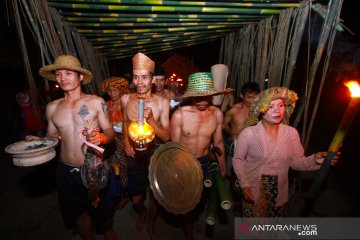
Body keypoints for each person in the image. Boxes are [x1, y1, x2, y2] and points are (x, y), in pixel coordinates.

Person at [36, 55, 117, 240]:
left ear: (80, 77)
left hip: (93, 170)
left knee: (104, 221)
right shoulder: (52, 107)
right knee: (79, 215)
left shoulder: (96, 102)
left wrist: (102, 137)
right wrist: (38, 143)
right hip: (65, 171)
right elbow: (51, 136)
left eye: (68, 73)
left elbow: (111, 132)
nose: (63, 77)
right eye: (58, 74)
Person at [232, 86, 339, 217]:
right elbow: (238, 160)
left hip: (280, 192)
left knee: (274, 229)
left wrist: (315, 160)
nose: (277, 110)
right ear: (261, 109)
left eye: (281, 105)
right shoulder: (249, 133)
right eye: (271, 106)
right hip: (254, 190)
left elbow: (296, 162)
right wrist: (245, 185)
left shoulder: (291, 133)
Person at [171, 72, 233, 239]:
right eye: (198, 96)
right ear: (191, 96)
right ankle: (188, 231)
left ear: (212, 94)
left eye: (207, 96)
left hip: (205, 162)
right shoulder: (180, 115)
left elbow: (219, 141)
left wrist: (222, 166)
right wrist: (175, 171)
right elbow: (173, 147)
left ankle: (191, 219)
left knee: (200, 199)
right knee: (186, 202)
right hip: (184, 162)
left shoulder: (217, 114)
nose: (203, 100)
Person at [121, 52, 170, 239]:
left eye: (144, 77)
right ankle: (141, 212)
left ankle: (150, 222)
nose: (139, 82)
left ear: (152, 79)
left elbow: (166, 137)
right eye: (135, 77)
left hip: (155, 153)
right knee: (136, 200)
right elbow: (125, 122)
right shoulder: (126, 99)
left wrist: (152, 121)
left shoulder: (162, 103)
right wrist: (126, 141)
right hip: (133, 154)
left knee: (155, 195)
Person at [223, 82, 260, 216]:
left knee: (250, 177)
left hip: (252, 150)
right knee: (235, 177)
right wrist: (231, 133)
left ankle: (250, 200)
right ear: (241, 95)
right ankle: (238, 203)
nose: (252, 100)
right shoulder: (234, 110)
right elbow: (223, 125)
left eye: (255, 98)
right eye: (249, 97)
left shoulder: (258, 111)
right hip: (236, 149)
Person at [99, 77, 130, 210]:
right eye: (109, 91)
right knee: (113, 166)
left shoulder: (127, 103)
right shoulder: (106, 105)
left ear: (122, 90)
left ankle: (125, 194)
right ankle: (116, 191)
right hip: (111, 139)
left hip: (125, 138)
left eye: (114, 90)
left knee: (124, 166)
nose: (111, 93)